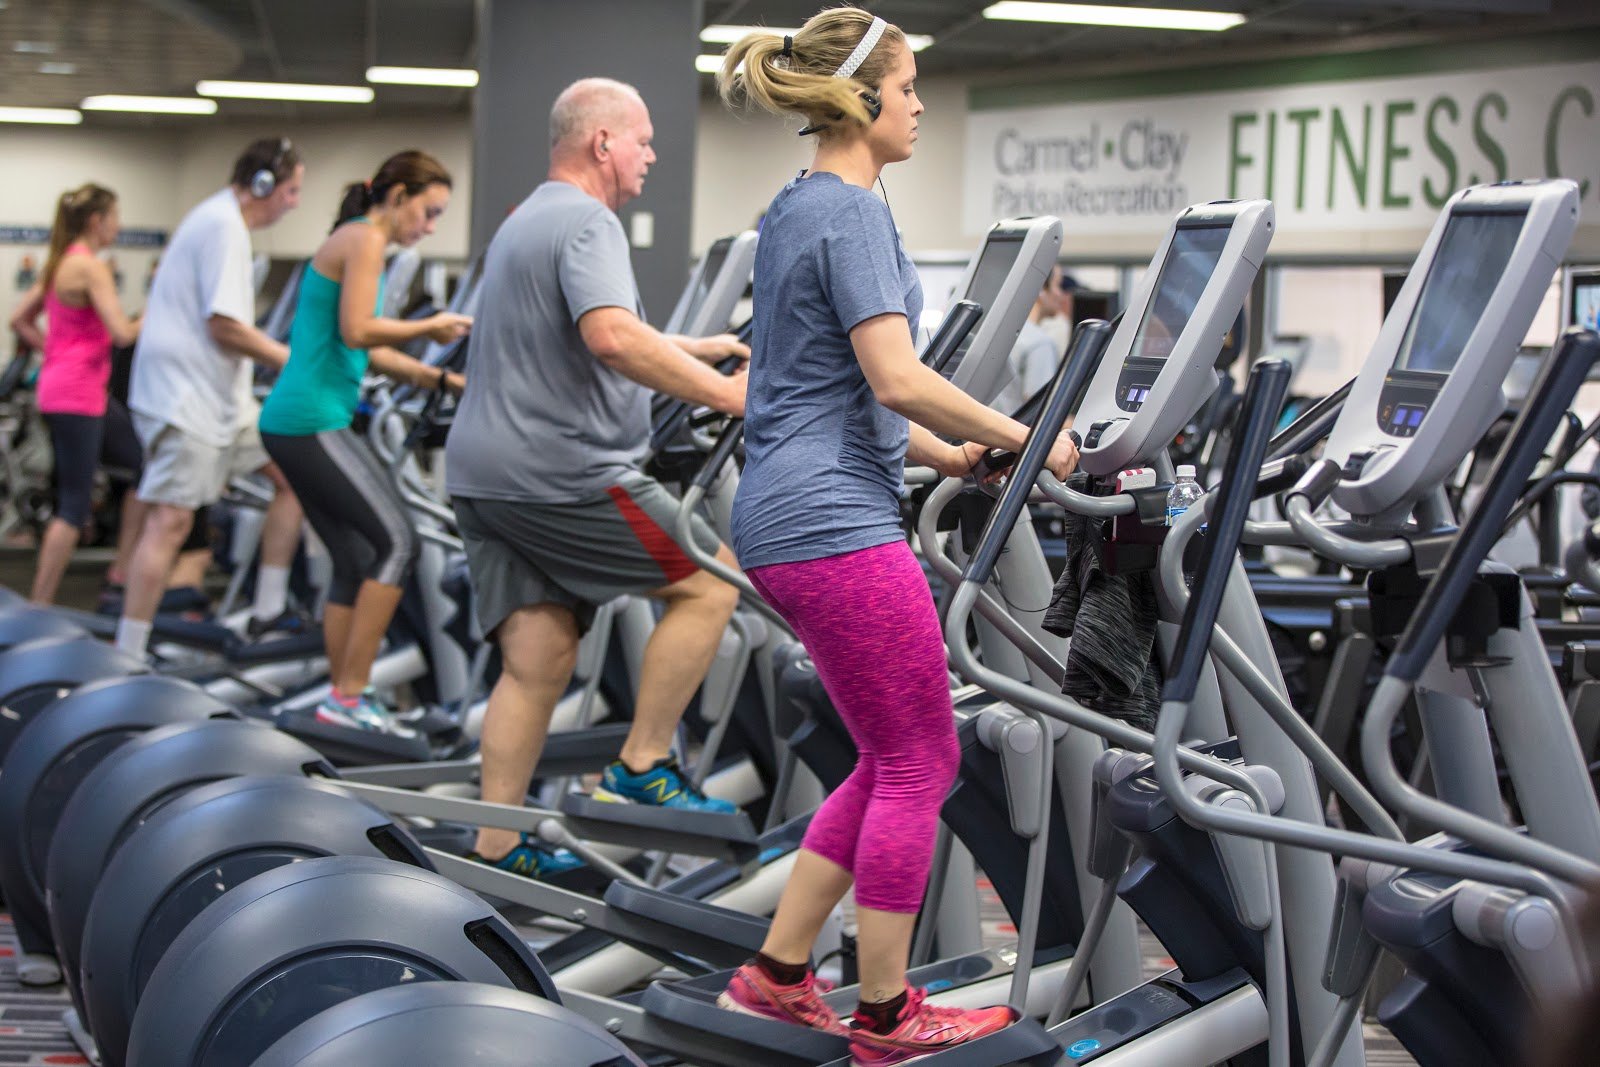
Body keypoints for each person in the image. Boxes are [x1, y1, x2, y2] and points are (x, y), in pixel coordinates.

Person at [714, 10, 1080, 1064]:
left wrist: (956, 455)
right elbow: (895, 377)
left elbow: (829, 388)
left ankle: (777, 974)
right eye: (910, 86)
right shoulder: (852, 212)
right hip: (832, 520)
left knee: (886, 756)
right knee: (924, 756)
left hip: (788, 512)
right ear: (862, 96)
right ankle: (886, 1013)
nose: (919, 105)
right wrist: (1030, 438)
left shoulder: (796, 206)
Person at [446, 76, 749, 880]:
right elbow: (611, 337)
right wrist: (728, 394)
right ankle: (642, 765)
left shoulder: (526, 218)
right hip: (562, 472)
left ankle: (498, 848)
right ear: (602, 142)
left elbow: (579, 330)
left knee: (536, 661)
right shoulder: (589, 221)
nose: (652, 154)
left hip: (486, 478)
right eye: (642, 140)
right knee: (710, 583)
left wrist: (694, 349)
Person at [258, 150, 470, 734]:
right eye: (428, 212)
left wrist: (440, 380)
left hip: (295, 418)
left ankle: (342, 699)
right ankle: (350, 698)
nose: (430, 227)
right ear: (398, 197)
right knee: (399, 542)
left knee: (355, 559)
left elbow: (366, 349)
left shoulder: (354, 238)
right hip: (311, 418)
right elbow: (358, 331)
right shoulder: (366, 239)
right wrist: (430, 326)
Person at [116, 138, 307, 658]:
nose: (294, 203)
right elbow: (224, 326)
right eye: (291, 191)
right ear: (263, 185)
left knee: (293, 474)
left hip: (221, 402)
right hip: (185, 402)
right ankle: (128, 652)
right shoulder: (223, 226)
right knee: (171, 522)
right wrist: (292, 361)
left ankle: (268, 610)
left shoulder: (225, 224)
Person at [8, 184, 146, 605]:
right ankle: (39, 603)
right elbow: (122, 333)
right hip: (79, 394)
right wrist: (156, 311)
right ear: (96, 221)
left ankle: (121, 572)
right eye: (114, 217)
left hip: (68, 389)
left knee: (144, 467)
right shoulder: (90, 267)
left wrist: (55, 351)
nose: (118, 225)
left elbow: (19, 320)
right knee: (74, 505)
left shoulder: (60, 263)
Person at [991, 264, 1065, 415]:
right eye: (1058, 285)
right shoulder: (1040, 344)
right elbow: (1040, 411)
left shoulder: (999, 332)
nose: (1061, 294)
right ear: (1041, 289)